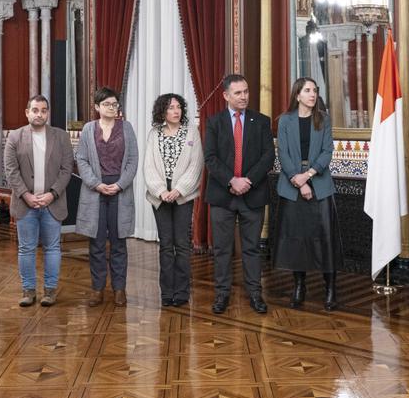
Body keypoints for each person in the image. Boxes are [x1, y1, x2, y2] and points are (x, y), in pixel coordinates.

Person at [204, 74, 275, 315]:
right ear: (226, 96)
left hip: (252, 195)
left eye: (246, 91)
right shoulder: (214, 123)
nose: (244, 96)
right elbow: (210, 158)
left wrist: (248, 181)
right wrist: (231, 181)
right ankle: (222, 294)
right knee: (222, 249)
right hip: (222, 196)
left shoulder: (262, 121)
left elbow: (268, 157)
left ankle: (255, 294)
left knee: (252, 248)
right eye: (238, 93)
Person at [272, 77, 342, 311]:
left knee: (325, 239)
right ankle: (299, 286)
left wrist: (308, 176)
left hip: (319, 185)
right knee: (296, 240)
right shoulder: (284, 121)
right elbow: (283, 154)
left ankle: (330, 289)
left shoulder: (323, 119)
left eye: (315, 90)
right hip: (292, 187)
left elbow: (327, 152)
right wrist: (298, 181)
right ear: (297, 95)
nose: (312, 94)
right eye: (307, 90)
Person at [4, 95, 75, 308]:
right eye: (35, 110)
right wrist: (26, 195)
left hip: (52, 203)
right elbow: (11, 170)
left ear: (48, 113)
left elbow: (66, 169)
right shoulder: (15, 137)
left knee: (52, 248)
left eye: (43, 110)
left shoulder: (60, 137)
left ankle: (50, 292)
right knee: (26, 249)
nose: (39, 114)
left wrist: (52, 193)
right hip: (25, 204)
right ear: (27, 112)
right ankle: (28, 291)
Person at [74, 87, 139, 308]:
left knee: (119, 242)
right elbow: (81, 160)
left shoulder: (127, 128)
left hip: (120, 192)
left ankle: (119, 289)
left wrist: (119, 185)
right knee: (97, 242)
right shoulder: (88, 129)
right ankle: (97, 289)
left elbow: (132, 161)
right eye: (107, 104)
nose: (112, 108)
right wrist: (96, 184)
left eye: (114, 104)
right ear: (97, 107)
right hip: (95, 192)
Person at [141, 93, 203, 308]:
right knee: (166, 246)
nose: (176, 111)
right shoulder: (154, 134)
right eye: (171, 108)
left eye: (178, 107)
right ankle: (167, 292)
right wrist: (161, 191)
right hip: (160, 197)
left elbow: (196, 165)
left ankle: (182, 292)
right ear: (162, 112)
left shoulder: (191, 132)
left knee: (182, 245)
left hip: (183, 197)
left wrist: (178, 190)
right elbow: (148, 167)